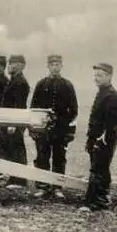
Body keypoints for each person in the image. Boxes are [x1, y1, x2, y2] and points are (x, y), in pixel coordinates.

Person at [30, 55, 78, 198]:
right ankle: (42, 186)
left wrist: (66, 126)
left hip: (60, 129)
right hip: (43, 129)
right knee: (42, 156)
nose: (55, 67)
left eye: (58, 64)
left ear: (61, 66)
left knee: (59, 157)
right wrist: (35, 127)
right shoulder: (41, 85)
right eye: (52, 64)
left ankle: (57, 187)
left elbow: (74, 110)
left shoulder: (68, 86)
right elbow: (33, 108)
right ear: (48, 66)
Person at [83, 63, 117, 211]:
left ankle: (93, 203)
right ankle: (103, 198)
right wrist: (90, 139)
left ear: (109, 76)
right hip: (97, 138)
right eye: (95, 75)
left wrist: (100, 141)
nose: (96, 78)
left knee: (98, 169)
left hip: (104, 140)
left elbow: (110, 124)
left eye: (100, 75)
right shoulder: (102, 93)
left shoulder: (112, 96)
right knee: (101, 169)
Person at [0, 54, 30, 189]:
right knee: (11, 148)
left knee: (17, 149)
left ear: (20, 66)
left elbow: (19, 105)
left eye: (12, 64)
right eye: (9, 63)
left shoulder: (20, 82)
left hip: (15, 121)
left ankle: (20, 180)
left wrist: (13, 123)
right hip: (10, 120)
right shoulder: (13, 80)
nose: (9, 66)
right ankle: (14, 178)